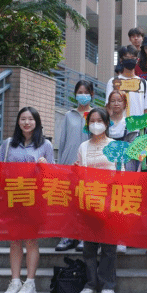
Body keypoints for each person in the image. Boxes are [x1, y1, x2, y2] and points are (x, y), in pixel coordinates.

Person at [0, 107, 54, 293]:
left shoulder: (45, 145)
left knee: (31, 240)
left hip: (34, 199)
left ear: (37, 122)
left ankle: (30, 282)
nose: (26, 122)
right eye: (23, 119)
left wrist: (44, 167)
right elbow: (0, 170)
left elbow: (52, 174)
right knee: (14, 240)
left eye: (30, 119)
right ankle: (15, 281)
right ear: (18, 122)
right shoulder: (8, 144)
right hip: (14, 197)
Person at [74, 108, 117, 293]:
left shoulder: (115, 145)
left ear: (107, 124)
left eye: (100, 121)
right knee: (89, 247)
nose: (96, 124)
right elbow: (79, 171)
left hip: (109, 201)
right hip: (88, 200)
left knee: (109, 247)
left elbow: (121, 173)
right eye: (92, 121)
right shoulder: (83, 147)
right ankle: (91, 284)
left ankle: (108, 284)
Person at [55, 80, 92, 252]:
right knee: (68, 202)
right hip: (69, 163)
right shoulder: (69, 115)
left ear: (92, 94)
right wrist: (60, 165)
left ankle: (84, 237)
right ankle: (67, 236)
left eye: (86, 92)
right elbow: (62, 141)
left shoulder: (95, 115)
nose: (83, 95)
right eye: (80, 92)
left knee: (85, 201)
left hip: (88, 164)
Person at [106, 46, 147, 118]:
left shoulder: (143, 83)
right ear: (121, 60)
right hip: (118, 124)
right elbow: (108, 107)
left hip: (137, 124)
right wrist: (114, 123)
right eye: (126, 57)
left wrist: (145, 124)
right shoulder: (113, 82)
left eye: (133, 57)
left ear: (137, 59)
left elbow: (146, 109)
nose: (130, 60)